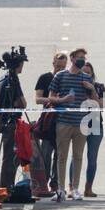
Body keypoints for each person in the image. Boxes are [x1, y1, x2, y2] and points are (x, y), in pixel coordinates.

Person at [48, 48, 96, 202]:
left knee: (78, 156)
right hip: (63, 122)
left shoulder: (86, 77)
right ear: (72, 58)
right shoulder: (60, 76)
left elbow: (95, 102)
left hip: (80, 123)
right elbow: (50, 98)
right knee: (62, 156)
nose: (82, 60)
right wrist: (63, 100)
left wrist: (92, 89)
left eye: (84, 57)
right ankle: (60, 189)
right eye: (79, 57)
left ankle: (75, 188)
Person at [33, 52, 67, 195]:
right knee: (45, 154)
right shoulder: (45, 77)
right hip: (48, 120)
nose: (59, 69)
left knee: (59, 155)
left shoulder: (67, 79)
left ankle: (55, 183)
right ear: (53, 63)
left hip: (63, 121)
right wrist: (53, 100)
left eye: (63, 67)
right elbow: (37, 99)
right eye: (58, 66)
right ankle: (43, 183)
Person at [0, 51, 28, 190]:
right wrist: (16, 103)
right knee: (10, 157)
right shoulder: (12, 79)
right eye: (22, 64)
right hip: (11, 123)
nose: (22, 67)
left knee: (9, 157)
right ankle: (6, 187)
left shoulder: (6, 77)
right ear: (18, 65)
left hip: (6, 121)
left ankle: (7, 186)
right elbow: (23, 103)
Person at [81, 61, 105, 197]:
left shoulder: (99, 87)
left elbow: (101, 106)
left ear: (92, 75)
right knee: (76, 156)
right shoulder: (76, 86)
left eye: (88, 73)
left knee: (92, 158)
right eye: (83, 73)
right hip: (79, 124)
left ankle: (88, 188)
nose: (86, 75)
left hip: (96, 124)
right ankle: (72, 187)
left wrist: (92, 90)